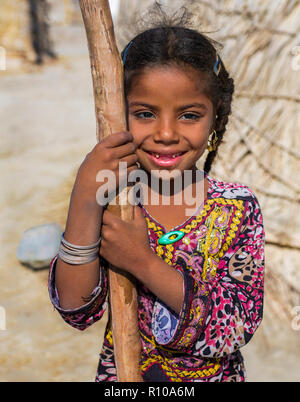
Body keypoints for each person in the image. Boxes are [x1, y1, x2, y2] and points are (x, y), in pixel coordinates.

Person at [48, 18, 265, 382]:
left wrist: (142, 263)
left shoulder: (237, 208)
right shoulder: (115, 200)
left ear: (215, 118)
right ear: (120, 113)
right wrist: (84, 199)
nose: (166, 134)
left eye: (189, 115)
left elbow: (235, 329)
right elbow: (75, 309)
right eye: (145, 114)